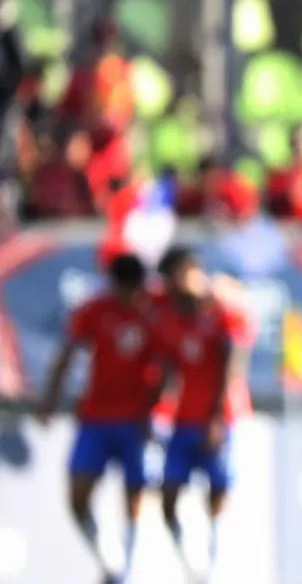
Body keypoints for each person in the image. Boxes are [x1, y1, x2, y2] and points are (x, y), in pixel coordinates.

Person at [36, 253, 158, 584]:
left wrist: (155, 409)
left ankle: (126, 572)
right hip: (96, 419)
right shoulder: (95, 310)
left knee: (134, 498)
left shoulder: (153, 313)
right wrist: (50, 398)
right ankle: (111, 562)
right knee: (77, 497)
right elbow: (67, 353)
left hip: (135, 422)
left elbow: (168, 368)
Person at [150, 246, 235, 580]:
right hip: (181, 421)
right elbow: (166, 370)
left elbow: (232, 362)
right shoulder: (166, 314)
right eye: (185, 271)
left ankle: (215, 565)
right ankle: (190, 565)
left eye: (195, 270)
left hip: (216, 419)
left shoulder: (219, 311)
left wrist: (217, 417)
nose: (193, 278)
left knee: (218, 490)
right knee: (168, 497)